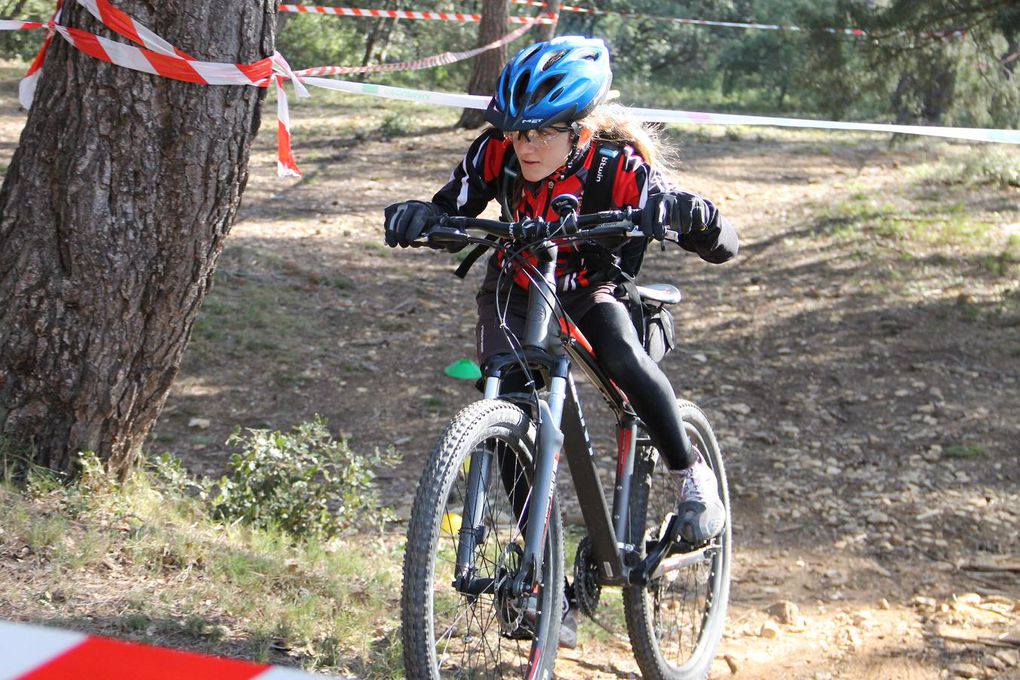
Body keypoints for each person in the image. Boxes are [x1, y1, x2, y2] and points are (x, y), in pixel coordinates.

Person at [384, 35, 738, 647]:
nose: (525, 145)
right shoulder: (495, 151)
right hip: (518, 285)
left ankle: (691, 474)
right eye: (519, 132)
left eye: (542, 132)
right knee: (515, 409)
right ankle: (541, 574)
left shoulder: (617, 165)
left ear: (579, 129)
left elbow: (706, 234)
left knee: (623, 357)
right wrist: (421, 218)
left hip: (591, 286)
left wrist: (697, 220)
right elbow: (452, 208)